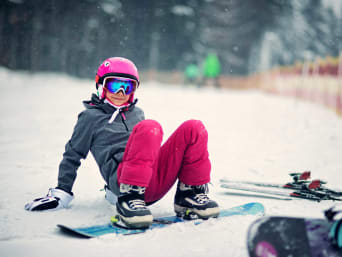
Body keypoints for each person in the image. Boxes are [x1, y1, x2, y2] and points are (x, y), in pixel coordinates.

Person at [25, 57, 219, 229]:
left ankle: (189, 195)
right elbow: (72, 155)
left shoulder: (137, 113)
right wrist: (61, 191)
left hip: (151, 179)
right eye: (113, 86)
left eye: (127, 87)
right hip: (123, 184)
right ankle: (129, 199)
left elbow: (146, 152)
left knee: (194, 127)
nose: (120, 92)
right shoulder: (90, 118)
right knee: (150, 127)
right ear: (100, 85)